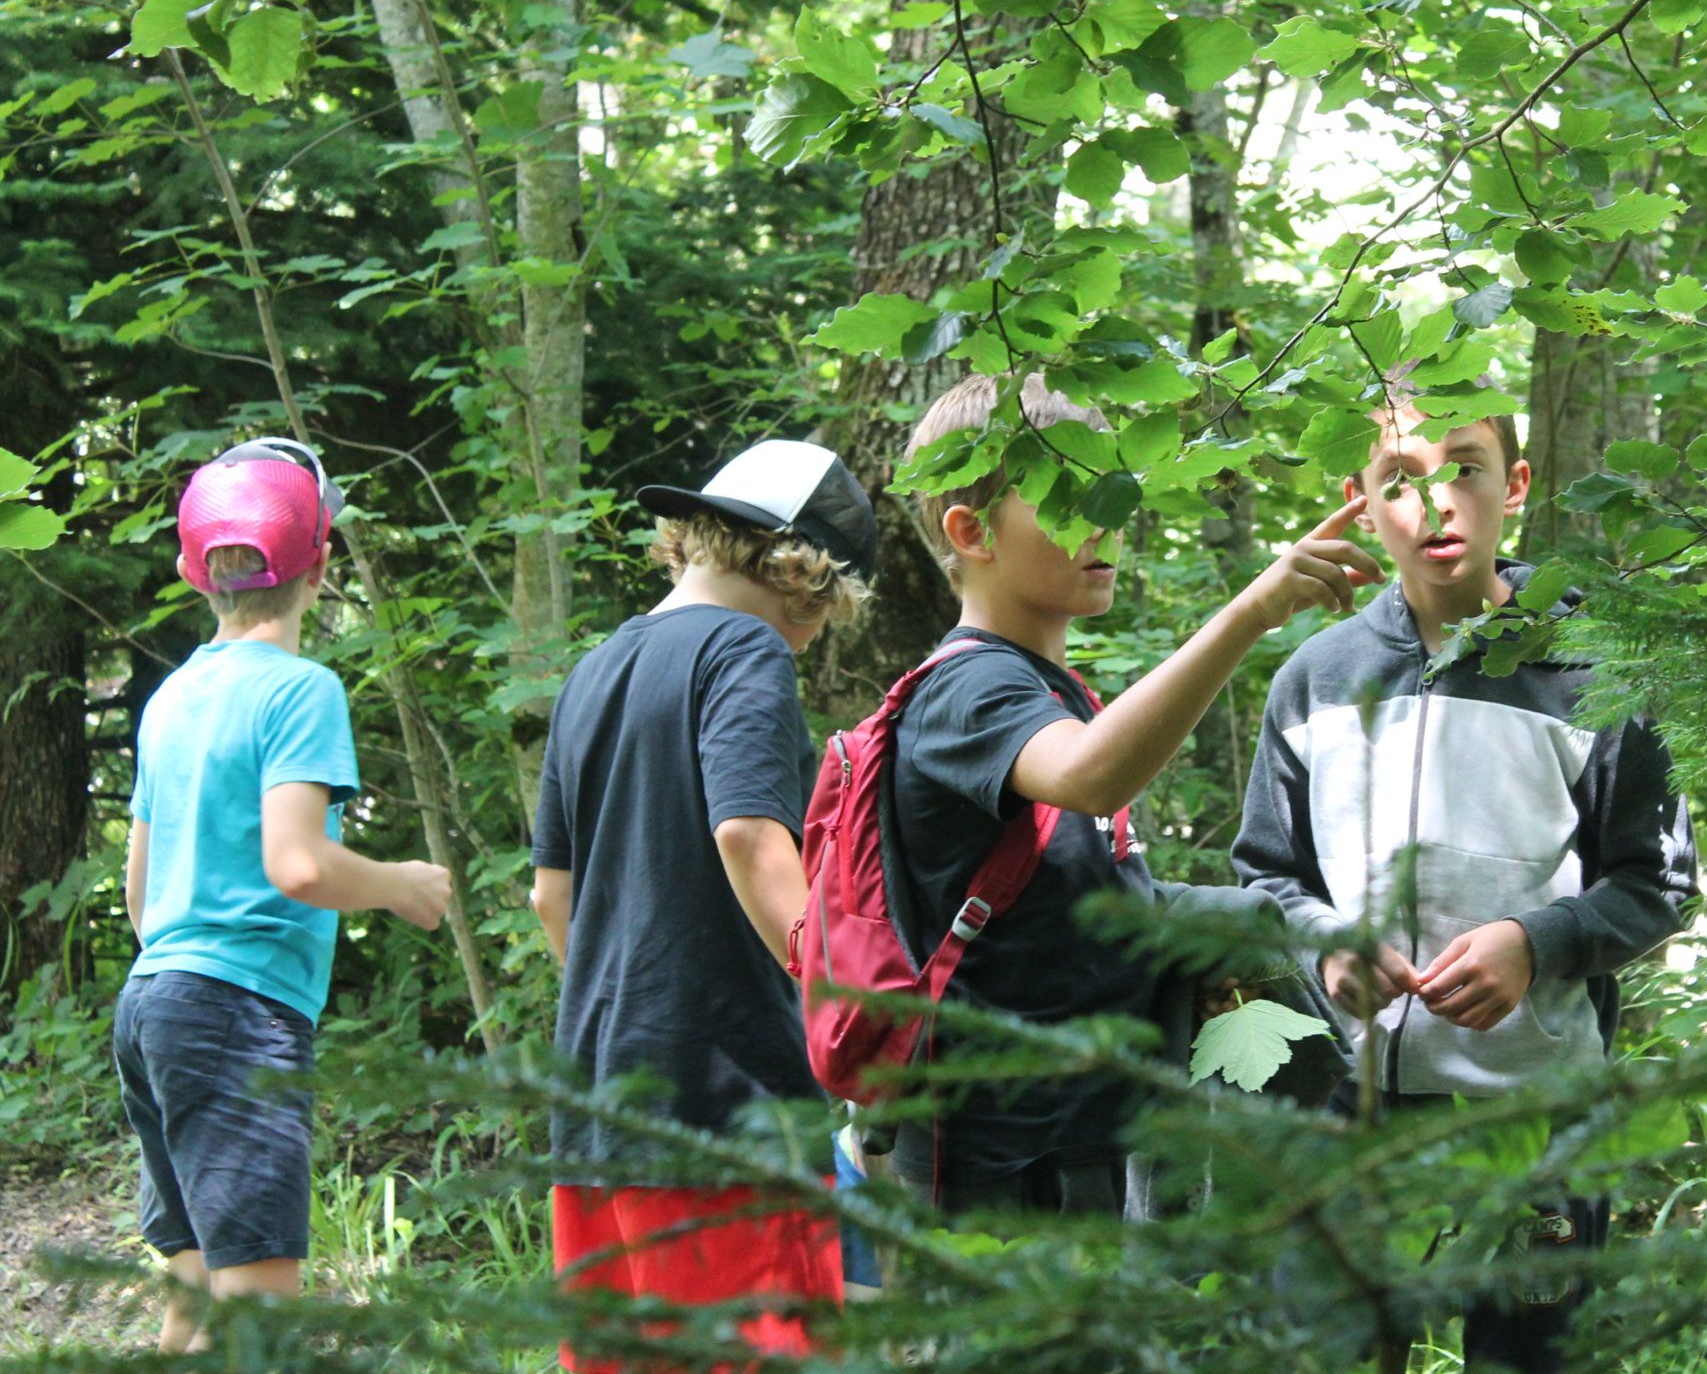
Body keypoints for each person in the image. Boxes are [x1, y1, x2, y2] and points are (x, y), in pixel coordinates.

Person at [1229, 390, 1698, 1374]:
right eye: (1401, 479)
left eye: (1466, 469)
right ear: (1360, 503)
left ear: (1515, 485)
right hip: (1347, 1111)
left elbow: (1660, 880)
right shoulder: (1313, 681)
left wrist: (1537, 944)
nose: (1436, 502)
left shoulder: (1600, 676)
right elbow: (1267, 875)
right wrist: (1323, 943)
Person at [885, 372, 1386, 1215]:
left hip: (1076, 1141)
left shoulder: (1047, 689)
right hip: (998, 1164)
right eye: (1067, 501)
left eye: (1113, 495)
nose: (1107, 525)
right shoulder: (966, 691)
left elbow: (1079, 899)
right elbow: (1092, 777)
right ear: (971, 532)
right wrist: (1252, 610)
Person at [529, 439, 876, 1371]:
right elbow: (751, 836)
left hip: (601, 1108)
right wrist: (843, 997)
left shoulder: (593, 670)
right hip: (729, 1110)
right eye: (825, 613)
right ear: (803, 573)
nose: (815, 633)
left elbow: (549, 894)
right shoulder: (745, 647)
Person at [118, 438, 452, 1351]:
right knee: (260, 1304)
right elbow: (298, 865)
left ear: (197, 573)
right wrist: (401, 887)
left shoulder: (171, 697)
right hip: (233, 1012)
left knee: (193, 1297)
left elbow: (139, 894)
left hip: (151, 1005)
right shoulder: (301, 689)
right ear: (324, 561)